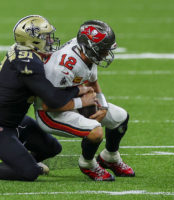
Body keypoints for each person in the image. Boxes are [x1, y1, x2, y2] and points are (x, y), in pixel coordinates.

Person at [0, 15, 97, 181]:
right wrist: (78, 92)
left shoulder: (24, 52)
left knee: (51, 148)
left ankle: (23, 163)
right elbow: (52, 99)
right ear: (33, 41)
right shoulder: (28, 63)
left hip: (15, 122)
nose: (50, 40)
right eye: (46, 37)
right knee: (29, 173)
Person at [35, 20, 135, 181]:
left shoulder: (86, 53)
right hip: (49, 114)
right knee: (95, 131)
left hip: (72, 99)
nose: (106, 53)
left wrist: (102, 107)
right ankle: (87, 164)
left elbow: (92, 82)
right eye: (103, 49)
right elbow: (49, 104)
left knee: (120, 118)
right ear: (90, 46)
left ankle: (110, 157)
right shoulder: (64, 66)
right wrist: (83, 102)